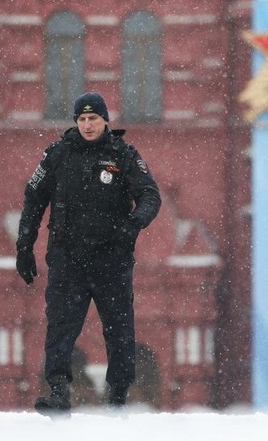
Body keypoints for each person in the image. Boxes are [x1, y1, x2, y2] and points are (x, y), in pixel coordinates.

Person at [16, 91, 161, 413]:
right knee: (60, 326)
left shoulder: (123, 155)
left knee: (119, 328)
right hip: (68, 258)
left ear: (105, 120)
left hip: (111, 258)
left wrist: (134, 224)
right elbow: (33, 200)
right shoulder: (57, 154)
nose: (87, 124)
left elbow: (150, 195)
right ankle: (58, 392)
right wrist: (24, 247)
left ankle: (118, 395)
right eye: (81, 119)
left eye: (93, 118)